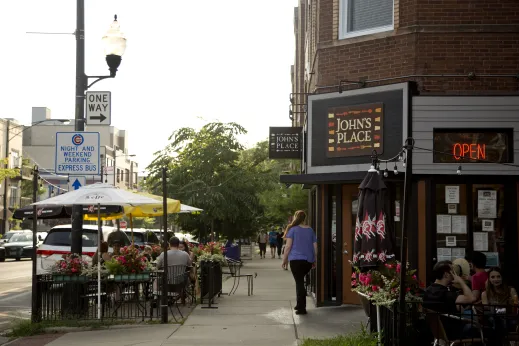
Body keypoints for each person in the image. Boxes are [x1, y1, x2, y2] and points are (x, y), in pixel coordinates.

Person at [423, 261, 476, 340]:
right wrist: (461, 281)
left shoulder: (427, 291)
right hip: (452, 332)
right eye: (453, 271)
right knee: (477, 327)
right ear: (446, 274)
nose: (455, 274)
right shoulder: (446, 294)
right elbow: (472, 298)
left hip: (434, 333)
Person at [282, 210, 317, 315]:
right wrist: (314, 259)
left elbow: (288, 246)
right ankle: (299, 304)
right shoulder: (310, 230)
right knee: (300, 282)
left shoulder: (292, 229)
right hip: (308, 260)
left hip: (296, 260)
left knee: (299, 283)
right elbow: (315, 246)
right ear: (304, 218)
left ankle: (302, 308)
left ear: (295, 217)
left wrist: (284, 260)